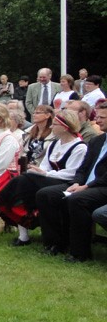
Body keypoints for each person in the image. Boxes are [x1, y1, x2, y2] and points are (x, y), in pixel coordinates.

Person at [0, 110, 87, 246]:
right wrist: (40, 171)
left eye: (55, 124)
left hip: (65, 182)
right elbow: (45, 165)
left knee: (23, 181)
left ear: (65, 127)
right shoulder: (55, 144)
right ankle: (21, 234)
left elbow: (72, 173)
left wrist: (45, 174)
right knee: (23, 189)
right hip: (49, 178)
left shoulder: (79, 147)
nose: (51, 126)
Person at [35, 104, 107, 262]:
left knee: (77, 200)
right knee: (46, 194)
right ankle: (54, 243)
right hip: (84, 185)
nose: (97, 120)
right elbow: (83, 168)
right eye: (97, 116)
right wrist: (76, 183)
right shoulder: (97, 141)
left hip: (102, 186)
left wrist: (86, 186)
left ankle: (80, 252)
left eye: (102, 117)